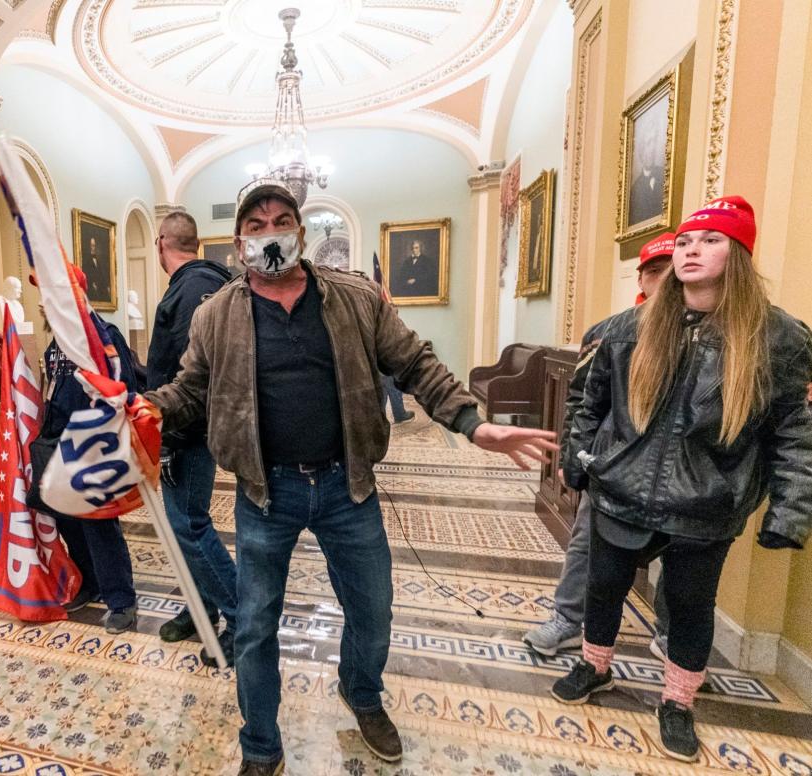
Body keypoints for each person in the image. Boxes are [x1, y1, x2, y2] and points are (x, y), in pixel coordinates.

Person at [146, 178, 559, 774]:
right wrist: (150, 408)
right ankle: (261, 743)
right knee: (257, 625)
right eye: (256, 226)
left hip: (348, 487)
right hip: (266, 493)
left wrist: (473, 424)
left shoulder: (354, 299)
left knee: (373, 610)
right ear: (238, 244)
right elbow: (190, 389)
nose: (270, 234)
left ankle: (362, 692)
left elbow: (414, 361)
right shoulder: (216, 315)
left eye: (280, 221)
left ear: (301, 233)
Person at [554, 197, 812, 762]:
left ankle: (677, 701)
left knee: (691, 606)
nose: (692, 249)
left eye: (712, 239)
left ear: (740, 254)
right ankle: (594, 666)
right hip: (620, 492)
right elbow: (585, 403)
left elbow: (794, 433)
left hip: (707, 504)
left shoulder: (780, 339)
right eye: (687, 241)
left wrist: (789, 511)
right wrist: (579, 460)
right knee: (603, 588)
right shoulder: (625, 330)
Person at [524, 233, 675, 658]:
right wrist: (574, 457)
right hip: (615, 463)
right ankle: (567, 620)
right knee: (586, 543)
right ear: (642, 280)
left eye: (671, 271)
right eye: (655, 272)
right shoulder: (611, 332)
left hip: (682, 471)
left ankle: (671, 634)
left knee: (682, 559)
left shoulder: (710, 333)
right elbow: (582, 400)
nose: (665, 280)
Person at [146, 211, 237, 663]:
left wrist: (169, 433)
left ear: (162, 242)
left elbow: (189, 375)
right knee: (187, 525)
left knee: (189, 525)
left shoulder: (188, 291)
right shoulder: (211, 282)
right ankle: (201, 607)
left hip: (186, 429)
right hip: (193, 425)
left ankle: (241, 616)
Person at [30, 266, 140, 634]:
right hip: (59, 442)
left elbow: (126, 386)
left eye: (52, 295)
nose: (45, 303)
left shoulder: (103, 337)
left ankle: (121, 600)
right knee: (66, 519)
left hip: (92, 442)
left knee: (99, 526)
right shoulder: (55, 343)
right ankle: (90, 582)